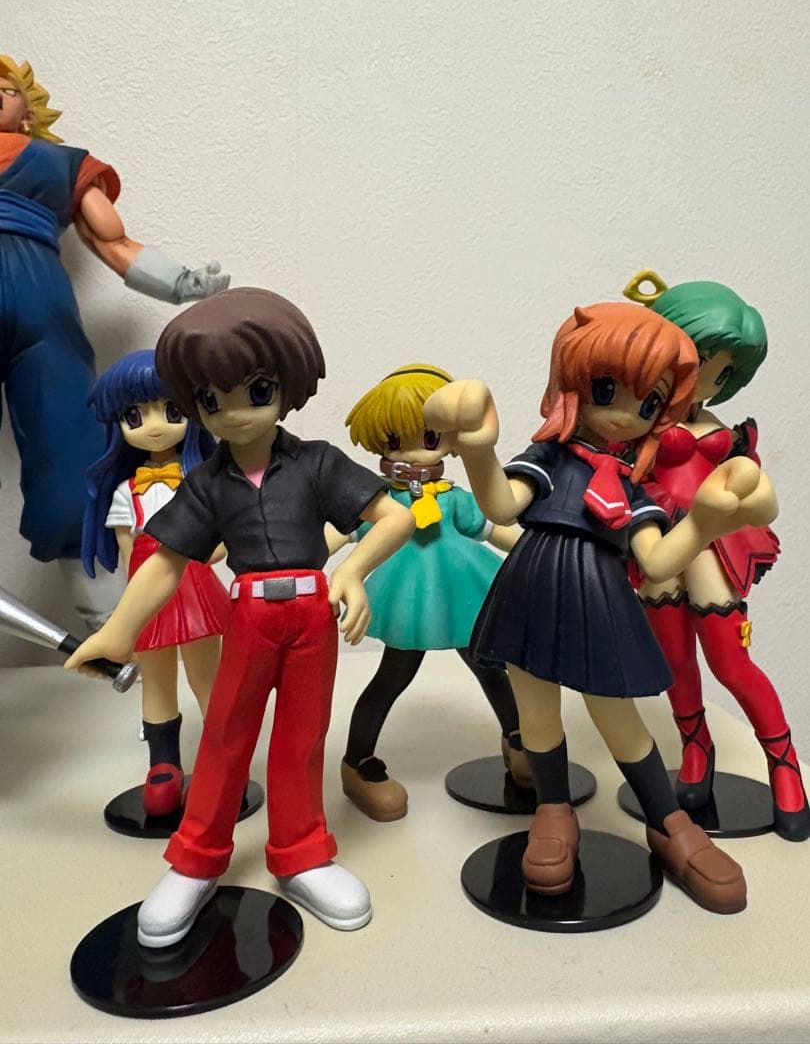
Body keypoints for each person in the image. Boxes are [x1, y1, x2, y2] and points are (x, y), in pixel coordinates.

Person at [67, 287, 415, 946]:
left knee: (302, 738)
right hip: (248, 618)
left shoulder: (315, 462)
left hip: (312, 616)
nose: (231, 412)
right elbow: (164, 562)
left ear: (286, 385)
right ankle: (197, 861)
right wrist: (118, 632)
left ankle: (302, 854)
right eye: (209, 399)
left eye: (255, 391)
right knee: (225, 734)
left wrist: (350, 572)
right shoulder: (205, 483)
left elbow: (394, 515)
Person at [424, 302, 777, 913]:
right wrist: (478, 451)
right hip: (532, 589)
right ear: (573, 385)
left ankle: (668, 822)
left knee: (619, 718)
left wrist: (704, 522)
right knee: (537, 713)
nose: (623, 413)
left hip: (599, 599)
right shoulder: (550, 459)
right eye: (607, 389)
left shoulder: (635, 487)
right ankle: (553, 810)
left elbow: (659, 562)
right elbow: (502, 507)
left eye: (648, 402)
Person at [0, 54, 227, 627]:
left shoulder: (57, 165)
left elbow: (113, 241)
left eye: (3, 87)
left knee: (71, 454)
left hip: (42, 318)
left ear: (28, 114)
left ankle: (105, 625)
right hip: (41, 312)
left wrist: (181, 282)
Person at [624, 270, 810, 839]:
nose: (708, 377)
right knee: (674, 659)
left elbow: (756, 494)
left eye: (723, 370)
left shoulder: (724, 432)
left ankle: (783, 762)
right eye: (703, 358)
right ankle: (695, 745)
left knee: (731, 661)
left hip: (711, 542)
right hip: (656, 538)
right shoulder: (634, 419)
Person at [331, 364, 527, 822]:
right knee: (392, 676)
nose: (415, 451)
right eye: (395, 439)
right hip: (409, 597)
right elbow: (340, 531)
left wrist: (538, 551)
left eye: (430, 437)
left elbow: (491, 528)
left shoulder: (453, 496)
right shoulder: (381, 501)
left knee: (491, 667)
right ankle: (357, 761)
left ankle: (518, 738)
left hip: (465, 593)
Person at [82, 350, 229, 815]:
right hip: (148, 593)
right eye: (134, 415)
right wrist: (133, 604)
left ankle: (224, 758)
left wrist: (205, 550)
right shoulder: (125, 492)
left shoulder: (201, 480)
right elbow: (129, 554)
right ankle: (163, 765)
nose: (153, 426)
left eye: (170, 410)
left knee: (209, 678)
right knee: (157, 682)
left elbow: (221, 540)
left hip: (195, 583)